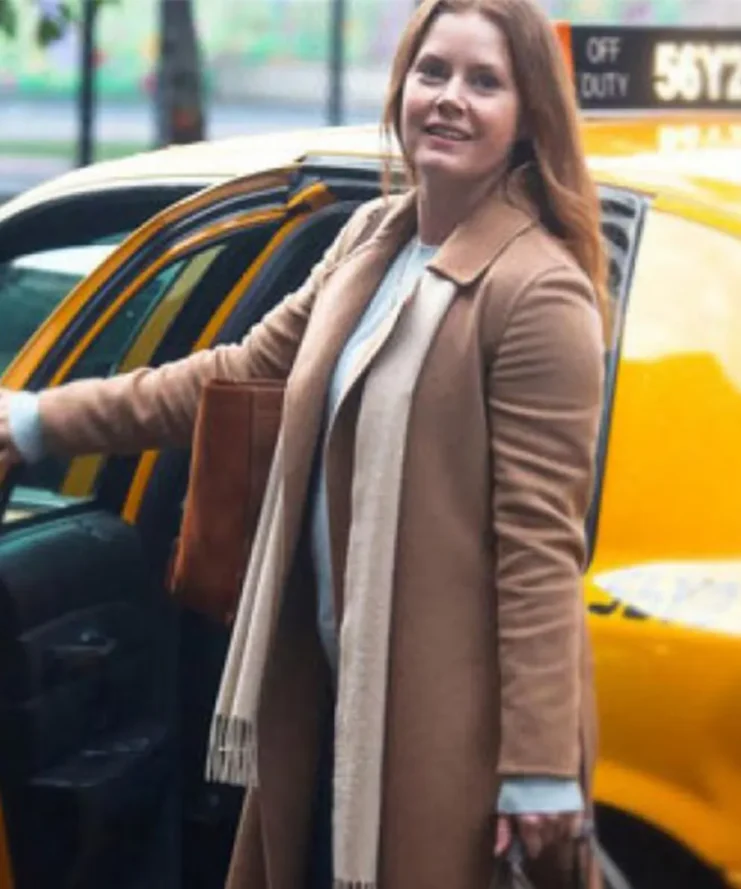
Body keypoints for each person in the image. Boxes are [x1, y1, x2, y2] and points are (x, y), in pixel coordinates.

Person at [0, 0, 608, 887]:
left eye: (485, 82)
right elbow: (233, 374)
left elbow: (539, 548)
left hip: (445, 735)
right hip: (325, 697)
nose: (449, 99)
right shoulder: (371, 239)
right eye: (433, 72)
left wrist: (540, 770)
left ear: (528, 121)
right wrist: (33, 422)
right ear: (401, 85)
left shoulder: (538, 291)